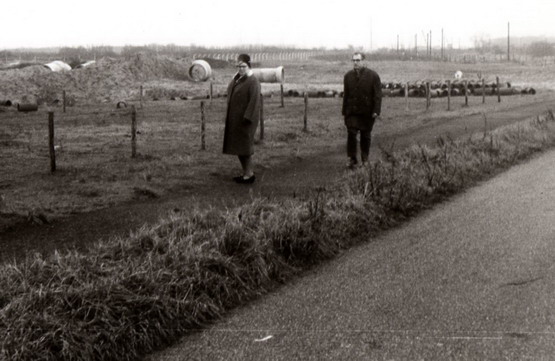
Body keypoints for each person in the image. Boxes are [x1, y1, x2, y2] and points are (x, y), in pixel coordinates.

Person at [223, 54, 261, 184]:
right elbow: (231, 90)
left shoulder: (253, 81)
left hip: (246, 120)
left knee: (245, 148)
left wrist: (247, 117)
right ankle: (246, 173)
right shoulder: (239, 79)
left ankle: (249, 175)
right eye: (238, 66)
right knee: (240, 148)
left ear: (249, 66)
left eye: (243, 66)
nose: (241, 69)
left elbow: (254, 101)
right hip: (236, 120)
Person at [341, 52, 382, 169]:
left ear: (364, 61)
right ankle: (352, 158)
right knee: (351, 134)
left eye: (358, 60)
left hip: (367, 112)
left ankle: (365, 159)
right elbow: (346, 95)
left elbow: (377, 96)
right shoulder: (348, 76)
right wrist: (345, 112)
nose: (355, 63)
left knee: (365, 135)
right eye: (353, 60)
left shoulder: (373, 76)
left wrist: (376, 111)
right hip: (352, 112)